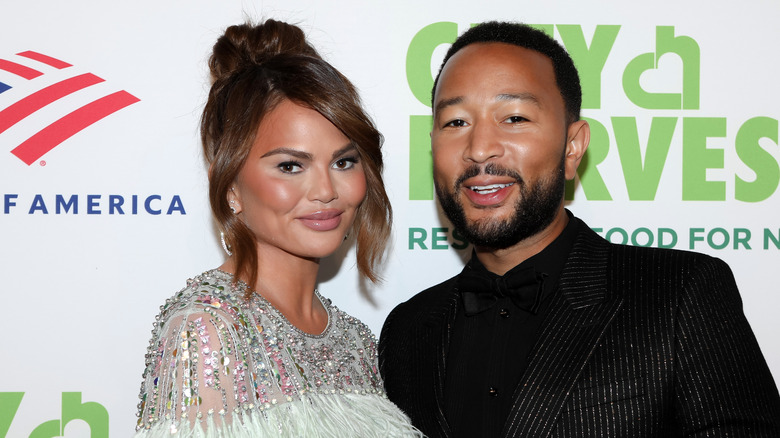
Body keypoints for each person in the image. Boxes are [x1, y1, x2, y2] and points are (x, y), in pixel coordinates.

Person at [379, 21, 780, 437]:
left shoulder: (680, 292)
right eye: (455, 122)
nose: (479, 148)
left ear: (572, 148)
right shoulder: (407, 330)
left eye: (514, 117)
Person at [134, 20, 421, 437]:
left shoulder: (355, 343)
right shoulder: (207, 331)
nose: (326, 191)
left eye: (343, 162)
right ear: (229, 184)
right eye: (290, 166)